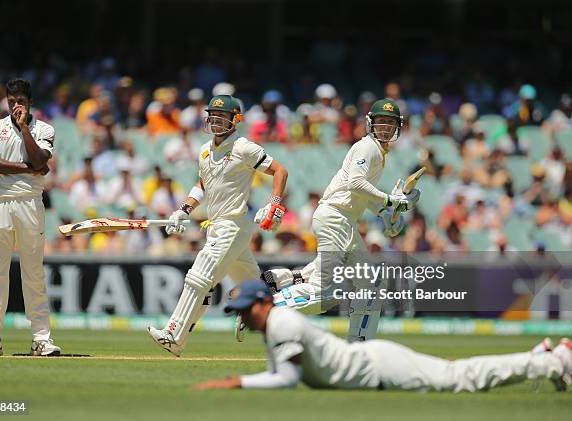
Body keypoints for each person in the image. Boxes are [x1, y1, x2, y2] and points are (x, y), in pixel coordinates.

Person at [195, 280, 572, 392]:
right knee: (459, 375)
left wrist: (235, 383)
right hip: (372, 367)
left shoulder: (283, 322)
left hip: (379, 367)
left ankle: (552, 362)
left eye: (246, 308)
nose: (243, 316)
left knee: (461, 379)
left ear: (264, 302)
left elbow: (288, 380)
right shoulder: (273, 324)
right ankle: (539, 354)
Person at [260, 99, 420, 342]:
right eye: (381, 122)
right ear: (370, 124)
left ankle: (359, 346)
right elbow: (355, 183)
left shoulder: (378, 152)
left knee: (371, 282)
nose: (385, 127)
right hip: (335, 218)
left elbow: (360, 194)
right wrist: (390, 201)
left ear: (398, 126)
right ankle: (263, 305)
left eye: (390, 123)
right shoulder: (368, 147)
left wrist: (387, 215)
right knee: (325, 294)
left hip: (341, 220)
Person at [147, 94, 289, 356]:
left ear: (236, 119)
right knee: (258, 291)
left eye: (222, 117)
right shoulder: (204, 150)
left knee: (198, 278)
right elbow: (202, 184)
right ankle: (290, 332)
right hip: (217, 226)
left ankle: (174, 334)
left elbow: (280, 171)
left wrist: (274, 202)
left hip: (233, 226)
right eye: (212, 116)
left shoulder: (245, 147)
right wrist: (184, 209)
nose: (216, 121)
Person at [0, 78, 61, 356]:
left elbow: (40, 160)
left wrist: (24, 129)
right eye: (11, 102)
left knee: (32, 272)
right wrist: (26, 168)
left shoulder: (44, 129)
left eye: (20, 101)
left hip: (29, 203)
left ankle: (41, 339)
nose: (15, 106)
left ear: (30, 102)